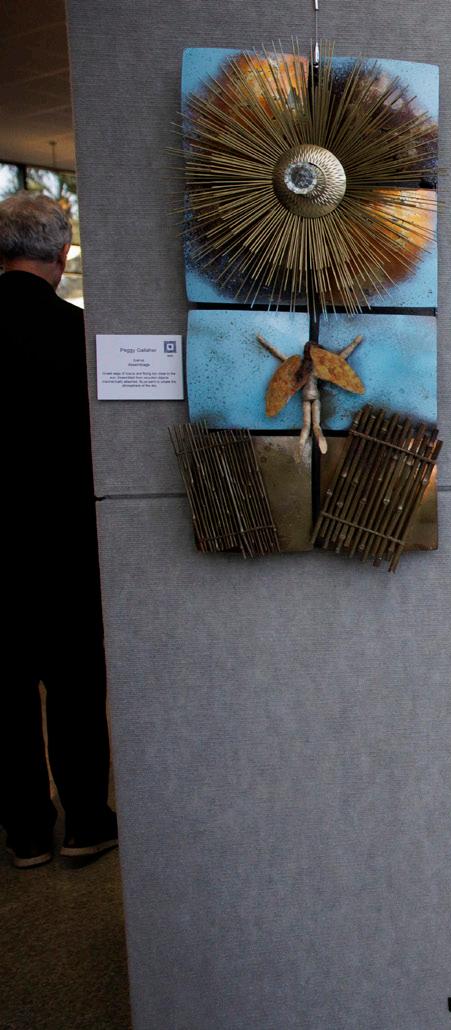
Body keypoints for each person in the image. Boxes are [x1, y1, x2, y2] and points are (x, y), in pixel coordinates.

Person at [0, 193, 117, 868]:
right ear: (63, 252)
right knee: (75, 688)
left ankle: (24, 831)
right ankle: (86, 823)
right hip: (66, 540)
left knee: (4, 696)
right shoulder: (81, 338)